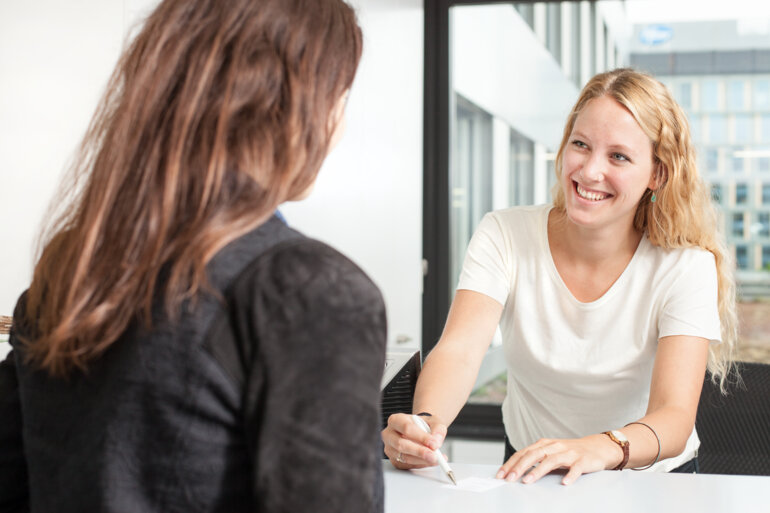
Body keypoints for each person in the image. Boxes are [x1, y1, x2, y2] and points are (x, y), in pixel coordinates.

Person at [0, 1, 387, 512]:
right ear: (284, 106)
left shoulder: (71, 271)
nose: (338, 125)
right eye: (338, 96)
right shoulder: (306, 289)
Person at [382, 68, 738, 485]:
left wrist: (596, 447)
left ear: (657, 174)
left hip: (650, 477)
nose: (589, 171)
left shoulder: (685, 265)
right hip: (533, 468)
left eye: (618, 156)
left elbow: (674, 417)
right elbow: (460, 350)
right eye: (581, 145)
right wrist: (425, 425)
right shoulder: (505, 234)